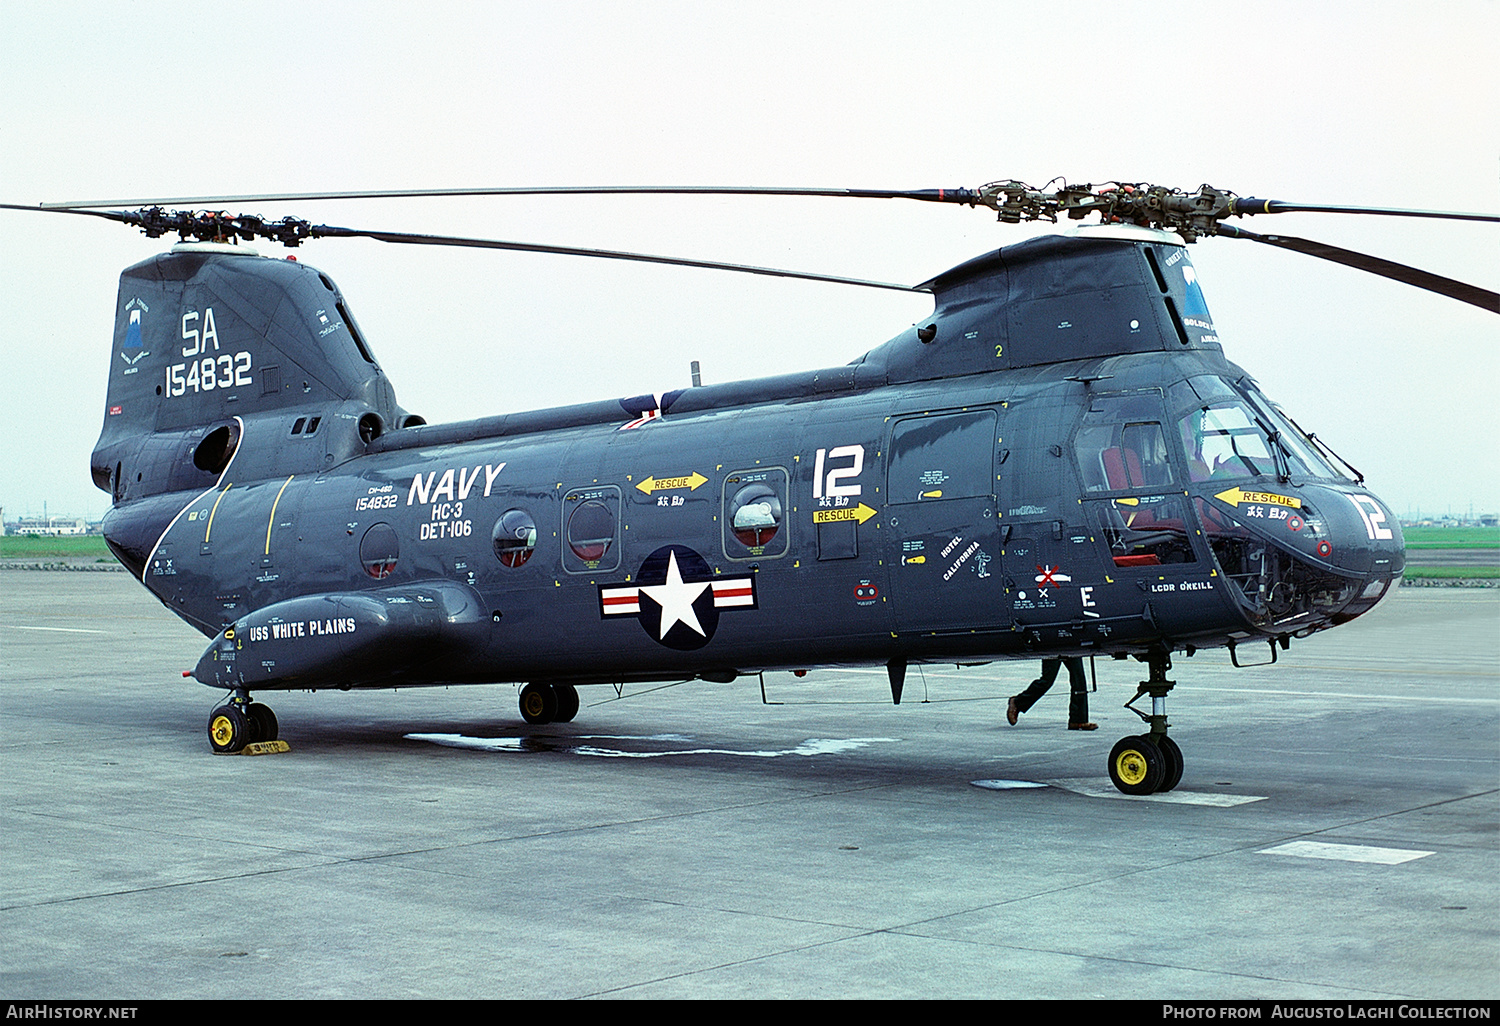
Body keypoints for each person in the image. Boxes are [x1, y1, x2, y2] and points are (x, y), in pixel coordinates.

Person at [1006, 657, 1096, 730]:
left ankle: (1078, 720)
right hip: (1053, 641)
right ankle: (1018, 702)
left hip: (1071, 641)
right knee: (1047, 680)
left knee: (1079, 679)